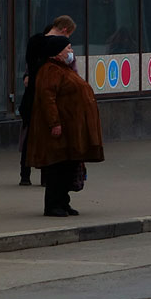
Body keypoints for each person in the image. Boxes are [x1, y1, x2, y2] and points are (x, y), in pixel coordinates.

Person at [27, 35, 104, 217]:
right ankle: (53, 205)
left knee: (67, 165)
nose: (71, 52)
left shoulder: (63, 69)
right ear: (57, 52)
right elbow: (47, 99)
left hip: (70, 129)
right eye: (68, 48)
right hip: (59, 129)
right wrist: (54, 123)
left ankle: (63, 202)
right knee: (57, 166)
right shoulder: (50, 70)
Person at [18, 15, 77, 186]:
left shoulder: (35, 41)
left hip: (32, 95)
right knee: (49, 137)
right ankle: (47, 177)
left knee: (29, 135)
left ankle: (25, 174)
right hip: (48, 96)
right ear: (65, 30)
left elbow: (30, 65)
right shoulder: (56, 46)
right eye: (69, 40)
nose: (69, 47)